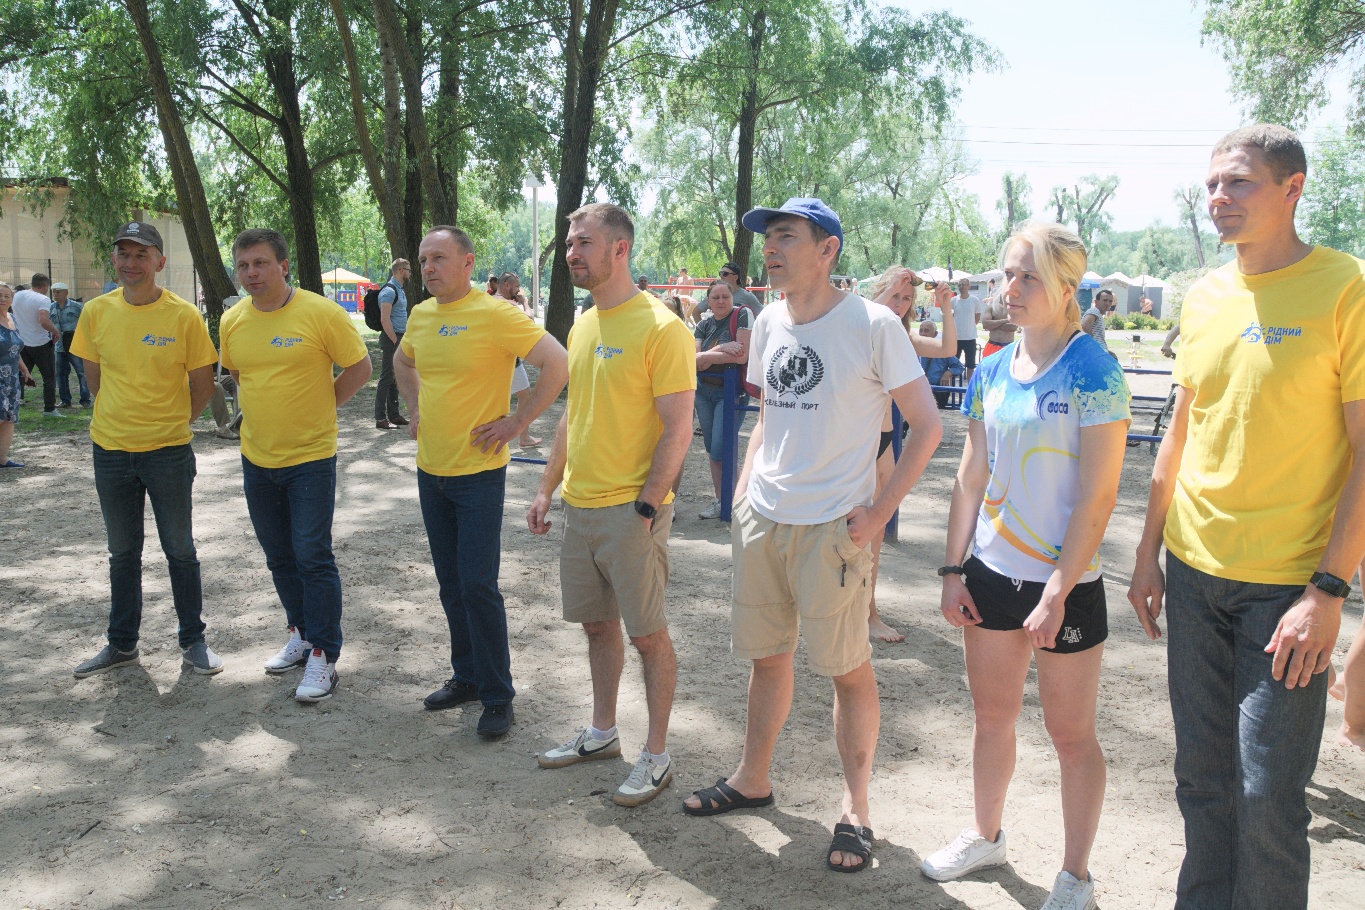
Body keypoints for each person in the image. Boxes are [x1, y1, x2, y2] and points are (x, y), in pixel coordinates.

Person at [1126, 124, 1365, 910]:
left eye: (1237, 182)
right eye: (1210, 185)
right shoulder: (1204, 295)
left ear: (1292, 188)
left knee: (1266, 796)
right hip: (1193, 574)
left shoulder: (1345, 287)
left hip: (1288, 588)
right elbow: (1180, 432)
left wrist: (1327, 591)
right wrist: (1146, 553)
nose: (1217, 198)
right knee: (1201, 781)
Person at [681, 198, 943, 874]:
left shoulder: (873, 325)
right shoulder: (768, 320)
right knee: (767, 658)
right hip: (765, 519)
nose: (770, 249)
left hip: (834, 528)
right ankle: (752, 778)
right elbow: (770, 414)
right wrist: (745, 494)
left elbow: (927, 426)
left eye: (786, 237)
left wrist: (877, 515)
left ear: (827, 250)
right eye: (768, 238)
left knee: (847, 669)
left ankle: (856, 810)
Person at [923, 222, 1129, 909]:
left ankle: (1074, 878)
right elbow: (969, 476)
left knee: (1070, 736)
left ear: (1066, 288)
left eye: (1027, 277)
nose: (1009, 289)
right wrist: (952, 571)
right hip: (989, 575)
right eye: (1007, 274)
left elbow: (1098, 496)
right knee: (991, 718)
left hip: (1065, 588)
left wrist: (1057, 592)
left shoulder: (1093, 369)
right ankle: (985, 837)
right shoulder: (989, 369)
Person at [527, 203, 695, 808]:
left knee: (648, 636)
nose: (571, 253)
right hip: (581, 507)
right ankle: (602, 733)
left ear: (619, 249)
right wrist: (547, 487)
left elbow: (679, 427)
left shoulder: (662, 328)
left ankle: (657, 755)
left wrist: (646, 508)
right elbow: (573, 415)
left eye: (584, 243)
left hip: (631, 512)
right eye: (570, 243)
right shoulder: (583, 324)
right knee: (598, 627)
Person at [396, 231, 567, 739]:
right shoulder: (421, 316)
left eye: (439, 258)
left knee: (477, 585)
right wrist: (414, 406)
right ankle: (467, 677)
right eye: (423, 260)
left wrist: (517, 423)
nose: (429, 267)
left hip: (478, 475)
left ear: (468, 262)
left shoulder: (495, 314)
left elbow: (558, 363)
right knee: (451, 584)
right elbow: (403, 360)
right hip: (431, 470)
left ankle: (497, 694)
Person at [220, 228, 372, 703]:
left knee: (312, 555)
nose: (251, 273)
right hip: (256, 457)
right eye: (243, 265)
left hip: (310, 458)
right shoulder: (233, 320)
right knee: (279, 555)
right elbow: (238, 373)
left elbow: (360, 368)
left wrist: (321, 407)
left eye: (261, 263)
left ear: (283, 266)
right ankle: (301, 634)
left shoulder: (320, 313)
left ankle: (324, 654)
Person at [68, 222, 224, 678]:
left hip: (168, 452)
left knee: (180, 549)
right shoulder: (96, 312)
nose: (131, 263)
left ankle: (193, 640)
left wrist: (174, 422)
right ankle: (122, 644)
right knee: (122, 553)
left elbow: (203, 384)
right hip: (110, 450)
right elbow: (94, 377)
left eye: (141, 254)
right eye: (124, 253)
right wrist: (119, 417)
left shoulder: (183, 316)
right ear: (113, 259)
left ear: (159, 261)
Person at [863, 266, 956, 643]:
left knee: (874, 533)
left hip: (884, 442)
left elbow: (948, 349)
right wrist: (888, 293)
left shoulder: (901, 336)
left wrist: (945, 306)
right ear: (878, 292)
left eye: (906, 299)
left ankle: (868, 612)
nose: (899, 305)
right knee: (840, 531)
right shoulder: (859, 324)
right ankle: (848, 610)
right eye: (894, 296)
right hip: (854, 443)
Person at [692, 279, 752, 519]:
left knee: (721, 447)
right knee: (711, 448)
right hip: (703, 392)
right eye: (715, 298)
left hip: (730, 391)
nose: (720, 301)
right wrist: (721, 349)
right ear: (708, 301)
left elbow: (741, 356)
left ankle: (736, 500)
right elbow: (695, 360)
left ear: (732, 298)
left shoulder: (742, 315)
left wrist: (707, 357)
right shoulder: (703, 325)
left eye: (724, 296)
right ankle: (721, 500)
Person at [495, 272, 543, 448]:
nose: (519, 291)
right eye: (516, 287)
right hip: (506, 358)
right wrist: (525, 302)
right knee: (524, 395)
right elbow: (529, 320)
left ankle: (522, 436)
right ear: (507, 285)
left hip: (499, 357)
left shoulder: (491, 301)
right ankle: (523, 436)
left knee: (519, 395)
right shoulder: (507, 303)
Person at [12, 273, 61, 416]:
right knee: (48, 377)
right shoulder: (43, 299)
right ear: (45, 286)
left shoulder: (18, 295)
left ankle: (14, 404)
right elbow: (43, 320)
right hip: (41, 344)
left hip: (22, 342)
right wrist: (55, 331)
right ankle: (49, 408)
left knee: (20, 375)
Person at [374, 258, 411, 430]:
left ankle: (394, 415)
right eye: (408, 270)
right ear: (401, 270)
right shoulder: (389, 291)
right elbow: (384, 319)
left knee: (395, 378)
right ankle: (380, 418)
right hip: (391, 339)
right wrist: (395, 340)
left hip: (399, 337)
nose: (410, 273)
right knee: (386, 378)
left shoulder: (399, 290)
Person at [0, 282, 32, 467]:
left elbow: (14, 349)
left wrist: (24, 369)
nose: (3, 299)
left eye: (7, 296)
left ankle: (2, 459)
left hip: (11, 378)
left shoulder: (12, 318)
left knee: (9, 418)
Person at [49, 283, 91, 408]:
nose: (55, 294)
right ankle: (65, 400)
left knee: (81, 372)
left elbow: (87, 322)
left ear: (66, 292)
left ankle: (85, 400)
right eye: (54, 292)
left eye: (58, 292)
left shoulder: (76, 306)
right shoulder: (51, 307)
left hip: (75, 345)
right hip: (59, 346)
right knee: (60, 374)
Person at [918, 321, 967, 407]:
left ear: (935, 334)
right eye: (921, 331)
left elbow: (959, 367)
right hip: (919, 390)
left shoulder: (942, 350)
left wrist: (948, 373)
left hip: (937, 391)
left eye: (926, 331)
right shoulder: (914, 350)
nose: (923, 334)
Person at [952, 277, 984, 384]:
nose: (961, 286)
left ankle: (970, 384)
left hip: (970, 337)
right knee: (953, 362)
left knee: (970, 364)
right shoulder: (953, 301)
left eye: (964, 284)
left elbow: (977, 317)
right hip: (956, 337)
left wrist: (970, 326)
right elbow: (950, 317)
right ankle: (953, 383)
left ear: (968, 286)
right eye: (960, 284)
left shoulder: (975, 300)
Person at [980, 287, 1017, 360]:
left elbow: (1013, 327)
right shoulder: (991, 307)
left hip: (1008, 346)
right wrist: (1006, 320)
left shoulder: (1013, 308)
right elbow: (985, 324)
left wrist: (993, 324)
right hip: (992, 344)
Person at [1080, 289, 1115, 353]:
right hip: (1096, 353)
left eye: (1110, 301)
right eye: (1105, 300)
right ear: (1096, 302)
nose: (1108, 303)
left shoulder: (1098, 314)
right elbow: (1084, 325)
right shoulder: (1094, 311)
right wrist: (1092, 345)